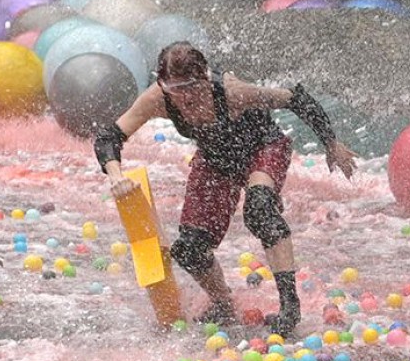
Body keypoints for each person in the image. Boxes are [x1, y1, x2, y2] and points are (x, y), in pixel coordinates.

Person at [95, 42, 358, 337]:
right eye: (176, 89)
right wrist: (116, 175)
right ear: (162, 84)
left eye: (192, 87)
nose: (185, 97)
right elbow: (109, 137)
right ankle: (223, 303)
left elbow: (296, 99)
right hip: (215, 160)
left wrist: (331, 143)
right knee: (189, 248)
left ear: (206, 78)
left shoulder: (233, 92)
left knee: (260, 211)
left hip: (262, 149)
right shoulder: (157, 99)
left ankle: (289, 306)